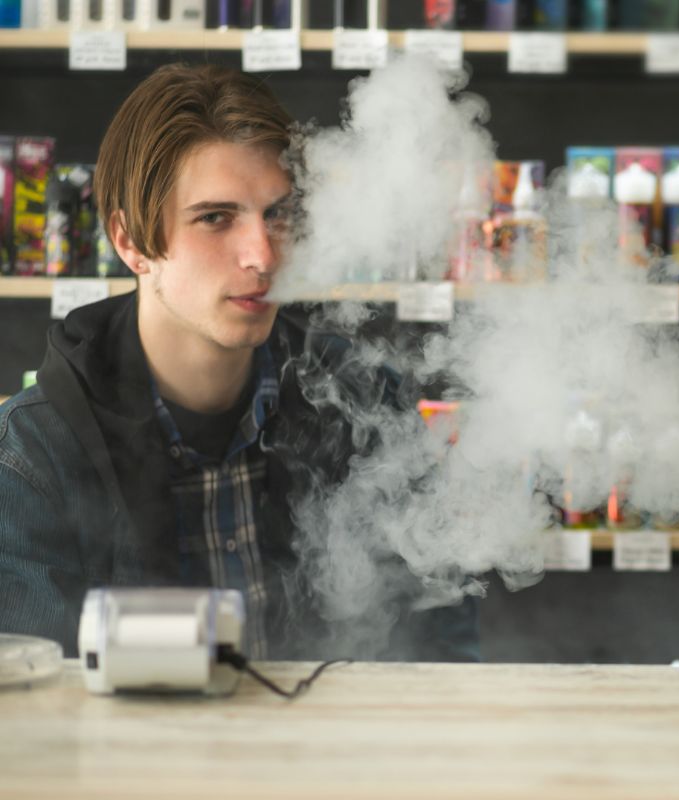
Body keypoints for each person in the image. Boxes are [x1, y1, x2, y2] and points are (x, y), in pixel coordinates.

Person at [0, 63, 478, 662]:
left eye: (278, 214)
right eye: (215, 218)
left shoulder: (363, 406)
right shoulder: (32, 450)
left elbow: (443, 655)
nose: (262, 254)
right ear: (130, 242)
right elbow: (33, 710)